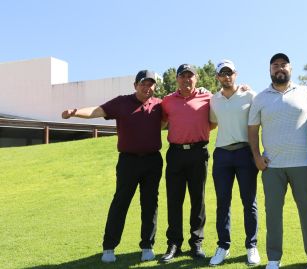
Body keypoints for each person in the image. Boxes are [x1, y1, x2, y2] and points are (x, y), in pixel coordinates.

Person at [61, 70, 163, 263]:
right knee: (120, 202)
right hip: (128, 161)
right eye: (143, 83)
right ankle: (109, 247)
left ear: (154, 87)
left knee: (150, 203)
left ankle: (147, 246)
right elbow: (97, 111)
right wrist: (76, 112)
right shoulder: (121, 102)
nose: (146, 87)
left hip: (152, 161)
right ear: (135, 85)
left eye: (150, 84)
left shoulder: (159, 105)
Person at [248, 53, 307, 269]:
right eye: (275, 66)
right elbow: (252, 130)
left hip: (303, 164)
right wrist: (256, 156)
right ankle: (273, 259)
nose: (279, 68)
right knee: (273, 212)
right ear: (270, 70)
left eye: (283, 65)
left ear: (290, 68)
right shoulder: (260, 98)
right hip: (272, 166)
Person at [160, 64, 215, 263]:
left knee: (197, 199)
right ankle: (174, 243)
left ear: (196, 78)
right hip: (175, 154)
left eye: (189, 76)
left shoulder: (207, 97)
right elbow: (161, 121)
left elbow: (214, 121)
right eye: (182, 76)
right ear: (177, 80)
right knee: (174, 200)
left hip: (198, 153)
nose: (186, 79)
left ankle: (196, 243)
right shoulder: (167, 101)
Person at [208, 60, 260, 266]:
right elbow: (212, 122)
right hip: (222, 155)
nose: (226, 76)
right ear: (217, 77)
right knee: (223, 203)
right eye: (222, 73)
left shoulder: (250, 95)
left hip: (244, 153)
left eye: (229, 73)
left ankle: (251, 246)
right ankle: (223, 246)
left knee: (249, 202)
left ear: (235, 74)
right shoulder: (214, 100)